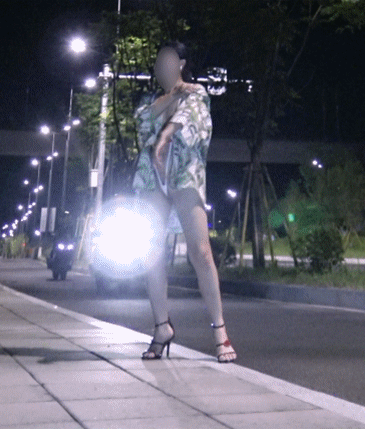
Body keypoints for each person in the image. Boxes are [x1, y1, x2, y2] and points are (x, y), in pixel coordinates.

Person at [133, 41, 236, 363]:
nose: (162, 64)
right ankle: (161, 327)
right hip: (152, 175)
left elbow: (194, 121)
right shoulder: (151, 99)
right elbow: (142, 122)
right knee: (151, 252)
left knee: (201, 251)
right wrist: (171, 98)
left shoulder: (197, 93)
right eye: (158, 60)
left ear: (181, 63)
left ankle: (219, 330)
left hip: (184, 173)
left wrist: (165, 134)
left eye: (168, 58)